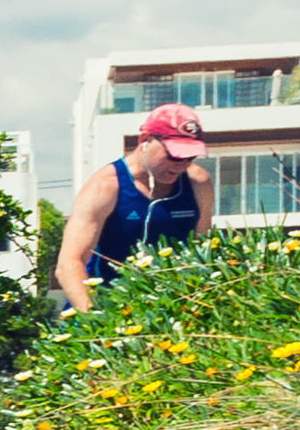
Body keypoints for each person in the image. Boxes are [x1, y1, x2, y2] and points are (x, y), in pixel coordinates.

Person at [58, 103, 215, 311]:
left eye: (190, 157)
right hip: (106, 305)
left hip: (170, 310)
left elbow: (201, 253)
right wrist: (98, 317)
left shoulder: (198, 184)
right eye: (174, 155)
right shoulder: (105, 187)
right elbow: (69, 263)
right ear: (145, 139)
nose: (181, 164)